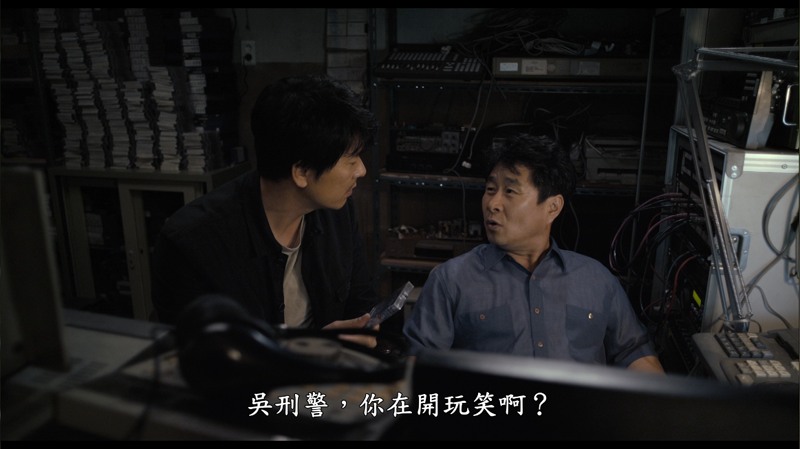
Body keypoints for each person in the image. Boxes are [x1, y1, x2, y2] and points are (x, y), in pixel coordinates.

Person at [151, 74, 383, 349]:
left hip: (328, 369)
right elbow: (199, 358)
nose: (361, 170)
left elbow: (361, 303)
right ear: (301, 172)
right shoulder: (192, 244)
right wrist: (309, 350)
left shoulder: (337, 212)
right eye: (351, 160)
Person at [403, 133, 664, 373]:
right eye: (490, 189)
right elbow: (416, 367)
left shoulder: (597, 280)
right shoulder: (451, 280)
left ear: (552, 207)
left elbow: (635, 354)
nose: (493, 204)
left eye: (510, 191)